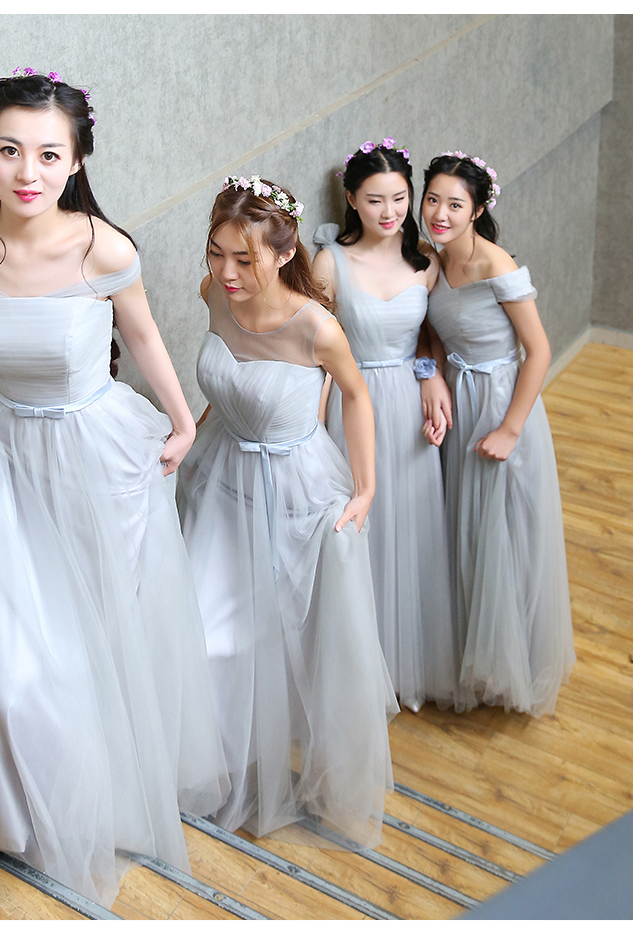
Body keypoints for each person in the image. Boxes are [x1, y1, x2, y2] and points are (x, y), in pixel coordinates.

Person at [0, 68, 228, 906]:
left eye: (50, 154)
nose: (29, 172)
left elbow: (145, 338)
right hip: (7, 462)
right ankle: (18, 815)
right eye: (10, 150)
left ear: (78, 159)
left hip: (96, 461)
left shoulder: (103, 249)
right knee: (11, 661)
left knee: (98, 640)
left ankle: (109, 799)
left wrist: (183, 422)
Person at [176, 175, 397, 847]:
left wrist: (365, 488)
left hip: (294, 488)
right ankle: (210, 767)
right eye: (217, 253)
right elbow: (227, 381)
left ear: (282, 251)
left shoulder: (316, 327)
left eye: (244, 259)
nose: (227, 273)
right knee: (203, 632)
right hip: (220, 476)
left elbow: (355, 395)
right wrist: (191, 439)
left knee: (289, 638)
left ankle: (278, 760)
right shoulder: (215, 294)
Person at [420, 151, 575, 716]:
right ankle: (472, 651)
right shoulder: (432, 260)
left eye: (454, 204)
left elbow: (540, 350)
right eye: (432, 200)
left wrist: (511, 429)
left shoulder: (496, 265)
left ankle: (517, 661)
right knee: (467, 526)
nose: (439, 214)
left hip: (501, 400)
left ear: (478, 210)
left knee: (506, 528)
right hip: (459, 399)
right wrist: (433, 373)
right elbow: (434, 332)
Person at [313, 139, 464, 713]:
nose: (389, 211)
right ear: (351, 199)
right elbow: (315, 350)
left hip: (407, 405)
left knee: (411, 527)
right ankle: (355, 670)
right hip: (352, 404)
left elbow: (432, 333)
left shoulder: (425, 260)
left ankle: (406, 664)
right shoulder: (330, 262)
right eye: (375, 200)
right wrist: (313, 423)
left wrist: (430, 374)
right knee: (358, 527)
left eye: (400, 198)